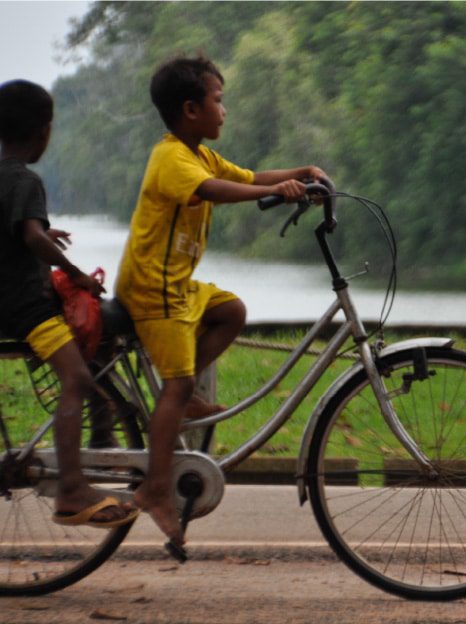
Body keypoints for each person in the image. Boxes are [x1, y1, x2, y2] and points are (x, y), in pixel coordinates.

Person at [115, 56, 326, 547]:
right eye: (218, 100)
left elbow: (248, 177)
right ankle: (155, 487)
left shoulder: (201, 154)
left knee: (232, 312)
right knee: (179, 379)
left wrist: (301, 172)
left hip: (177, 285)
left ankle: (181, 403)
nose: (224, 109)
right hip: (153, 288)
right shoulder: (173, 159)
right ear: (191, 109)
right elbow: (212, 191)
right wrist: (277, 190)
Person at [0, 80, 138, 528]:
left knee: (97, 334)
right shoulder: (26, 179)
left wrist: (45, 235)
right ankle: (72, 489)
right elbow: (29, 236)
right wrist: (78, 272)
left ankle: (103, 438)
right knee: (77, 379)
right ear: (45, 132)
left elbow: (21, 232)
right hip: (25, 304)